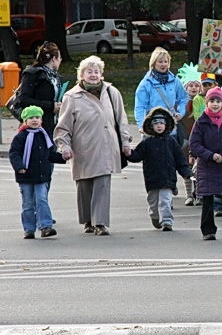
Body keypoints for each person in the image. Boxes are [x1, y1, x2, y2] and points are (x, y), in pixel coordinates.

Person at [54, 56, 132, 236]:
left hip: (106, 146)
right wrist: (64, 146)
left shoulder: (112, 92)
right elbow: (63, 126)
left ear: (102, 74)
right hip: (82, 148)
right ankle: (88, 220)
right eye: (89, 71)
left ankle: (101, 223)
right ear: (81, 75)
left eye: (96, 71)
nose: (93, 75)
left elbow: (122, 120)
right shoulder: (71, 96)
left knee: (102, 184)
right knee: (84, 186)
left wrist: (126, 142)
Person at [189, 86, 222, 240]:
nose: (215, 104)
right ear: (207, 103)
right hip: (206, 165)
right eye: (212, 100)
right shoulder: (201, 122)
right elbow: (195, 144)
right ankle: (208, 230)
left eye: (218, 101)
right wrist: (210, 155)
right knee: (207, 198)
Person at [127, 107, 193, 231]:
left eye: (162, 123)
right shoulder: (147, 142)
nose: (159, 126)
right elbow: (137, 156)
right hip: (152, 179)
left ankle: (167, 222)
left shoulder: (171, 142)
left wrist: (186, 173)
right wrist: (128, 153)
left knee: (165, 201)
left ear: (166, 125)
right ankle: (155, 216)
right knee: (153, 202)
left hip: (168, 179)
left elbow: (180, 160)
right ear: (151, 126)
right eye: (156, 124)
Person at [10, 105, 66, 239]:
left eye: (37, 117)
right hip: (26, 175)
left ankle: (46, 226)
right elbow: (14, 154)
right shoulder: (21, 137)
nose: (35, 120)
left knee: (42, 200)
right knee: (28, 203)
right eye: (31, 118)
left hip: (42, 176)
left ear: (41, 120)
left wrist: (63, 157)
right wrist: (20, 167)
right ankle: (29, 229)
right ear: (25, 120)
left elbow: (50, 154)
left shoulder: (44, 136)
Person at [134, 47, 189, 137]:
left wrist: (180, 112)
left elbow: (183, 97)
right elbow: (140, 106)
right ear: (154, 63)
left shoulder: (175, 81)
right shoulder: (145, 83)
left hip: (170, 129)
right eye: (160, 62)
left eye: (165, 61)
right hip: (152, 128)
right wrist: (141, 125)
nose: (163, 64)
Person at [16, 42, 65, 137]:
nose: (60, 60)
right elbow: (24, 100)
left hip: (53, 124)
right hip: (35, 126)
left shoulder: (57, 77)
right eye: (59, 58)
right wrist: (51, 106)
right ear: (54, 59)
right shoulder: (32, 74)